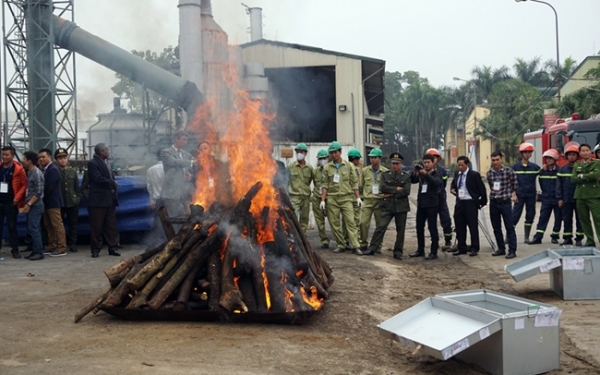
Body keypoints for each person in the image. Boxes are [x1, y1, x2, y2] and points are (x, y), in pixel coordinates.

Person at [365, 152, 411, 259]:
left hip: (401, 207)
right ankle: (372, 248)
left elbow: (406, 191)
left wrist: (390, 192)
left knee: (400, 230)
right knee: (381, 227)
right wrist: (396, 189)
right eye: (393, 163)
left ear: (401, 164)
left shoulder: (406, 176)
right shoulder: (385, 175)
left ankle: (398, 252)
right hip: (388, 206)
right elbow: (382, 188)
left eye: (397, 163)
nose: (395, 166)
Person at [320, 141, 362, 255]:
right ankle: (341, 244)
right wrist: (323, 200)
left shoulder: (349, 166)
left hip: (346, 198)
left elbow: (354, 183)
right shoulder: (327, 167)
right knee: (334, 223)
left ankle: (355, 245)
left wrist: (358, 197)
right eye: (332, 153)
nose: (334, 155)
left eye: (336, 152)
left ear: (340, 152)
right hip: (332, 198)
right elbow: (325, 185)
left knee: (350, 222)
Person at [450, 155, 488, 257]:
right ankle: (461, 247)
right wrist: (453, 189)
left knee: (472, 226)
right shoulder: (457, 174)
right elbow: (453, 184)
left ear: (467, 164)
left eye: (462, 165)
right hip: (460, 202)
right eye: (458, 165)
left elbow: (482, 189)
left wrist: (482, 202)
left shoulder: (474, 175)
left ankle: (474, 247)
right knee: (459, 226)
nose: (460, 167)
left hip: (470, 202)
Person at [88, 143, 120, 258]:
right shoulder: (93, 163)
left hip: (109, 199)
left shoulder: (107, 163)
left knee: (111, 225)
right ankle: (95, 249)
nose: (109, 151)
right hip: (98, 200)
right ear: (101, 152)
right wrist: (112, 183)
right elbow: (97, 178)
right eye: (107, 150)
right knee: (96, 226)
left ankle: (113, 247)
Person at [409, 154, 442, 260]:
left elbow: (436, 183)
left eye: (428, 162)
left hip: (432, 204)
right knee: (419, 227)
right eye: (425, 162)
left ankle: (434, 251)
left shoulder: (437, 173)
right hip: (421, 204)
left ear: (433, 163)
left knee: (432, 227)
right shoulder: (421, 174)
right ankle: (420, 249)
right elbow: (413, 180)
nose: (426, 164)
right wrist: (415, 172)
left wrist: (426, 174)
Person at [487, 151, 518, 258]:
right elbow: (491, 186)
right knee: (496, 227)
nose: (495, 162)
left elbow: (515, 184)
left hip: (505, 203)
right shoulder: (489, 173)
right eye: (493, 160)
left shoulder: (509, 171)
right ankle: (501, 248)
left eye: (497, 160)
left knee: (509, 227)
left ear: (501, 160)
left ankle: (512, 250)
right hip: (494, 202)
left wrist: (513, 195)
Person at [38, 148, 67, 257]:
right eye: (39, 157)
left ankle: (61, 248)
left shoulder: (53, 169)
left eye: (43, 157)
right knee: (48, 225)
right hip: (46, 202)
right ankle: (52, 245)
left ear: (49, 157)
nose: (41, 159)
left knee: (57, 225)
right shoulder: (44, 169)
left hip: (53, 202)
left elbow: (49, 187)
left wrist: (39, 195)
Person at [529, 149, 562, 245]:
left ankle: (555, 236)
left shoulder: (559, 171)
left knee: (558, 218)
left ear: (555, 159)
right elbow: (541, 184)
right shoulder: (542, 171)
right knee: (543, 218)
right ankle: (538, 237)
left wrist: (560, 197)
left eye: (550, 158)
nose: (548, 160)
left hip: (557, 198)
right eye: (547, 158)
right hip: (546, 198)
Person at [359, 148, 388, 252]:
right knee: (363, 223)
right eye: (371, 157)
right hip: (368, 200)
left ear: (380, 158)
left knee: (380, 225)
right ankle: (363, 243)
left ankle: (378, 245)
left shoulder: (385, 172)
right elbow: (361, 185)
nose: (372, 160)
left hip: (380, 201)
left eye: (375, 158)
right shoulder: (365, 171)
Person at [0, 146, 27, 259]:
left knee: (12, 227)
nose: (4, 157)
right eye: (3, 154)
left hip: (11, 203)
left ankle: (15, 250)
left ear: (12, 156)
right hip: (0, 202)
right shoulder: (0, 167)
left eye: (7, 155)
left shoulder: (18, 169)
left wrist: (17, 198)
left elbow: (24, 185)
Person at [571, 143, 600, 246]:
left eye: (587, 150)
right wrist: (588, 175)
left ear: (590, 152)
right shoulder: (577, 164)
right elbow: (573, 179)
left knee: (598, 218)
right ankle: (590, 240)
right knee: (584, 219)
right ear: (580, 153)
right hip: (580, 196)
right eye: (583, 151)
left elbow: (595, 176)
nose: (585, 152)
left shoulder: (596, 163)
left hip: (593, 195)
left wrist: (582, 175)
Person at [160, 130, 194, 218]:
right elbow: (173, 162)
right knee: (172, 216)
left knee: (188, 215)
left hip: (184, 191)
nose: (185, 142)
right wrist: (191, 162)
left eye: (186, 140)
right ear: (176, 139)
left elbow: (189, 170)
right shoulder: (166, 152)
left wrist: (189, 175)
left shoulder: (187, 155)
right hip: (171, 192)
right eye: (183, 139)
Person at [512, 142, 541, 243]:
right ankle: (509, 236)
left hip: (530, 195)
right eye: (525, 152)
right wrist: (513, 194)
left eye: (529, 152)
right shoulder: (515, 167)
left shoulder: (534, 167)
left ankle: (526, 237)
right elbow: (511, 182)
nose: (527, 154)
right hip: (519, 195)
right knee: (514, 216)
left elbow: (544, 174)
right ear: (521, 153)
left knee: (530, 215)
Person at [556, 144, 584, 246]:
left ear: (577, 156)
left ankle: (579, 238)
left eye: (574, 155)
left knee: (579, 219)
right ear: (566, 156)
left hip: (579, 198)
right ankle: (567, 238)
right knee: (567, 219)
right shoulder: (562, 169)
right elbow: (558, 185)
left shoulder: (581, 168)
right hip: (566, 199)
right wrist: (559, 198)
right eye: (570, 155)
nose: (571, 156)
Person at [426, 148, 453, 247]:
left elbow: (444, 184)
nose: (434, 159)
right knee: (431, 221)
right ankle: (434, 241)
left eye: (436, 157)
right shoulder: (425, 170)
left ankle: (448, 240)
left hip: (441, 197)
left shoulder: (442, 171)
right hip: (430, 199)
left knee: (446, 219)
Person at [55, 148, 80, 253]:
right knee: (59, 225)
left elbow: (76, 187)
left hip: (71, 201)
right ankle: (61, 243)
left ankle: (73, 244)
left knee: (72, 225)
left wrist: (77, 198)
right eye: (60, 158)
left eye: (64, 158)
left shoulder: (72, 171)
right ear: (56, 160)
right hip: (59, 202)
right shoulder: (54, 171)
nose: (62, 160)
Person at [22, 151, 45, 261]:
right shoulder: (30, 172)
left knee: (34, 228)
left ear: (29, 160)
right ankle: (35, 250)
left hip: (35, 205)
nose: (23, 160)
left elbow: (39, 192)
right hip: (31, 204)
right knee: (32, 228)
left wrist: (29, 204)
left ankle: (39, 251)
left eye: (24, 158)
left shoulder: (36, 173)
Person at [287, 143, 313, 232]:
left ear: (305, 153)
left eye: (301, 152)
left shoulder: (309, 168)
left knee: (304, 218)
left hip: (305, 197)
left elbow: (309, 181)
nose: (299, 154)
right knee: (293, 217)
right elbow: (286, 181)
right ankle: (294, 235)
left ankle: (303, 235)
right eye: (297, 152)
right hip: (294, 196)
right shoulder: (290, 167)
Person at [343, 148, 363, 247]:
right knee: (355, 221)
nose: (359, 161)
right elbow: (355, 185)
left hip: (346, 198)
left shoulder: (344, 167)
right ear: (355, 159)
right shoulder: (354, 169)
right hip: (353, 198)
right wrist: (358, 197)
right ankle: (356, 241)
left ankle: (346, 240)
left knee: (346, 221)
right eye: (358, 159)